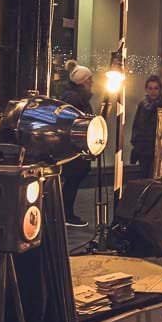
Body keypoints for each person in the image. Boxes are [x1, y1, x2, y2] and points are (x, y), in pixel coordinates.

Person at [60, 60, 95, 227]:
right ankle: (66, 213)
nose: (92, 83)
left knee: (72, 181)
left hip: (75, 145)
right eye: (90, 80)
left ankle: (66, 212)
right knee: (72, 180)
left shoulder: (74, 96)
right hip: (75, 146)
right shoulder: (76, 99)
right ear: (84, 82)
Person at [131, 75, 162, 179]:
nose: (153, 91)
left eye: (156, 88)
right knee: (143, 174)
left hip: (155, 147)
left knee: (153, 175)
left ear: (160, 89)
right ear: (146, 89)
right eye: (150, 88)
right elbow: (136, 124)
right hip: (143, 146)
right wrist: (135, 142)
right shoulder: (143, 104)